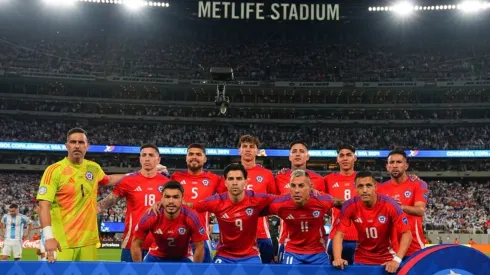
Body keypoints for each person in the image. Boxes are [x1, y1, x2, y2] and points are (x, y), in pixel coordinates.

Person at [36, 127, 123, 262]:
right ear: (67, 145)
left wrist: (137, 174)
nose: (77, 145)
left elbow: (108, 180)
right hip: (62, 242)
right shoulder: (54, 171)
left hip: (88, 241)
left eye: (81, 142)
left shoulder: (93, 168)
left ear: (87, 146)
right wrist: (49, 237)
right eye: (73, 142)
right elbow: (43, 206)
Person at [97, 144, 170, 262]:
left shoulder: (167, 183)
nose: (147, 158)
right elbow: (104, 204)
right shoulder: (128, 181)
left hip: (159, 244)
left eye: (151, 155)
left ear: (158, 159)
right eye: (143, 155)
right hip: (132, 243)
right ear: (140, 159)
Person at [190, 163, 273, 264]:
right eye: (231, 179)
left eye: (238, 179)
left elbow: (283, 202)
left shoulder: (256, 199)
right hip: (224, 256)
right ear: (225, 182)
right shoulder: (216, 201)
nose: (234, 183)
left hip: (250, 256)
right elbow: (190, 208)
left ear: (245, 181)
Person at [332, 171, 412, 274]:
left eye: (368, 185)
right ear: (355, 188)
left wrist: (396, 260)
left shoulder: (390, 205)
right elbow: (338, 235)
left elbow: (407, 234)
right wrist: (338, 258)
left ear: (375, 186)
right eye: (360, 186)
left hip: (387, 259)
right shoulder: (349, 206)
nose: (364, 190)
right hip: (361, 258)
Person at [217, 135, 277, 263]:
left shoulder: (267, 175)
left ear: (257, 151)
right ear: (239, 150)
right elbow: (221, 202)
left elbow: (274, 201)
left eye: (251, 147)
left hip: (261, 233)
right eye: (244, 146)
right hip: (234, 234)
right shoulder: (229, 175)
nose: (248, 149)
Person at [266, 169, 341, 264]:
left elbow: (345, 204)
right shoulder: (281, 203)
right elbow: (256, 210)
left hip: (318, 252)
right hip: (293, 252)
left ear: (310, 187)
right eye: (293, 186)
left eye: (301, 186)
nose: (296, 190)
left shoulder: (322, 200)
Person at [170, 143, 222, 263]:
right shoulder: (175, 177)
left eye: (198, 154)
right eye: (191, 154)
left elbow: (225, 200)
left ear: (205, 159)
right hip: (178, 234)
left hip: (201, 235)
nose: (194, 157)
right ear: (186, 157)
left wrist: (212, 220)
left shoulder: (214, 179)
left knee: (204, 271)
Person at [132, 181, 207, 262]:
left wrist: (194, 270)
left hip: (183, 256)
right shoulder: (150, 216)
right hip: (156, 255)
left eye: (175, 197)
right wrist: (138, 268)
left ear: (182, 199)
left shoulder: (192, 217)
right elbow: (136, 243)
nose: (171, 201)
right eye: (167, 197)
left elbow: (200, 246)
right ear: (161, 199)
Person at [275, 141, 324, 263]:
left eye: (301, 151)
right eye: (294, 151)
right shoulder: (278, 178)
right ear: (289, 156)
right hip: (287, 241)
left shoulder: (319, 179)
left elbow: (327, 205)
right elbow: (273, 203)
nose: (298, 154)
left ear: (307, 156)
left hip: (316, 244)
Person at [377, 149, 429, 257]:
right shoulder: (380, 189)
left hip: (413, 247)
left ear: (406, 166)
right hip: (389, 248)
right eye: (392, 162)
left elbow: (420, 211)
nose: (395, 165)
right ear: (387, 167)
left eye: (399, 162)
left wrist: (399, 207)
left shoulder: (418, 184)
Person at [324, 144, 358, 264]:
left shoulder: (364, 180)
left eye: (349, 155)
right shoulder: (328, 180)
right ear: (337, 159)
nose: (345, 158)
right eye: (341, 155)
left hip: (359, 239)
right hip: (335, 237)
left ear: (355, 158)